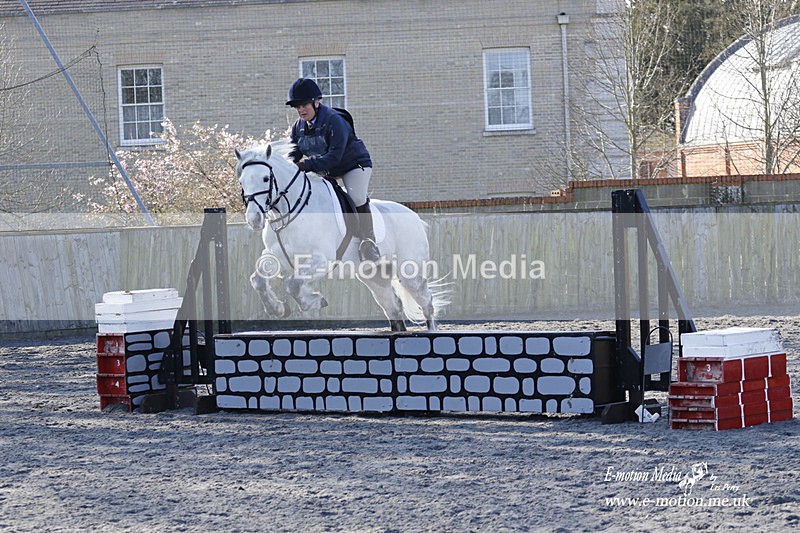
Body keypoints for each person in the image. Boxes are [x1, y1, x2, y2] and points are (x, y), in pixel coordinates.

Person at [285, 78, 381, 262]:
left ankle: (369, 243)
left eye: (304, 104)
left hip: (354, 165)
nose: (301, 110)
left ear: (317, 101)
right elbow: (293, 154)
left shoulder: (334, 120)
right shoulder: (298, 127)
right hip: (326, 169)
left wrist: (305, 166)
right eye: (297, 106)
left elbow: (334, 157)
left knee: (357, 197)